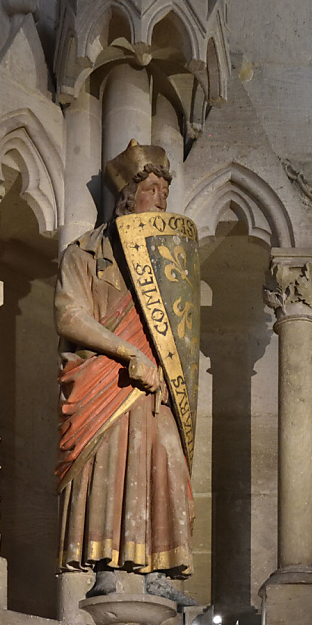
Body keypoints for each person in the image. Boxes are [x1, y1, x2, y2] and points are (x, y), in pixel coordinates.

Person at [54, 140, 193, 594]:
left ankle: (161, 568)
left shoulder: (171, 264)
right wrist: (129, 353)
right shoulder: (84, 253)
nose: (160, 201)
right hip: (107, 382)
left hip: (158, 389)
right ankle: (105, 563)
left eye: (165, 193)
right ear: (129, 195)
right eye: (152, 189)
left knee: (164, 460)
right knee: (112, 464)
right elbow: (70, 316)